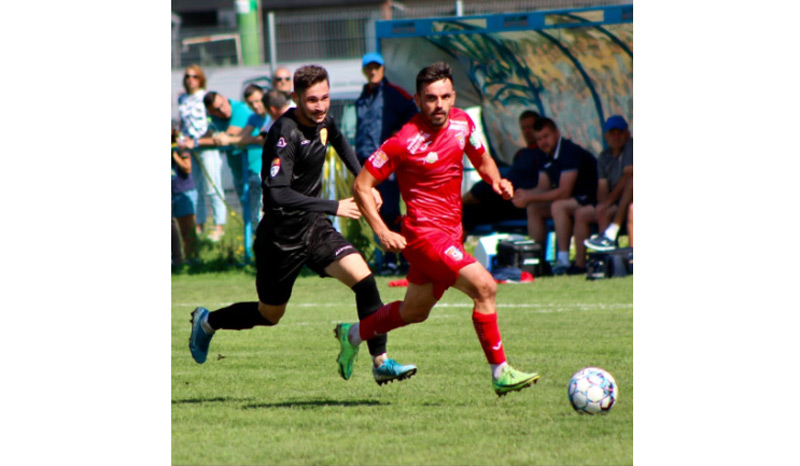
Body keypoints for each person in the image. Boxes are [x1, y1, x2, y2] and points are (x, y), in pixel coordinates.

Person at [189, 65, 417, 386]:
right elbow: (277, 193)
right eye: (312, 100)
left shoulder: (325, 121)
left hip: (315, 228)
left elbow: (342, 144)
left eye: (325, 97)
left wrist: (366, 182)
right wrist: (335, 206)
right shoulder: (285, 133)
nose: (321, 106)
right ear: (295, 98)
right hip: (280, 238)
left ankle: (380, 362)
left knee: (365, 281)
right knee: (270, 314)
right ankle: (207, 321)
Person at [337, 62, 540, 397]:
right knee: (485, 287)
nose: (439, 104)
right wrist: (381, 231)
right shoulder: (403, 141)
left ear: (454, 96)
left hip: (451, 233)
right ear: (418, 100)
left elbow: (481, 158)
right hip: (423, 235)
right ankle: (500, 372)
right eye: (431, 98)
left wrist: (496, 180)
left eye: (445, 96)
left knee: (414, 311)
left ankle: (352, 334)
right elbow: (361, 185)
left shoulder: (463, 123)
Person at [355, 52, 419, 276]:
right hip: (367, 163)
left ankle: (407, 258)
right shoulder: (364, 95)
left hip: (388, 162)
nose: (373, 71)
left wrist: (398, 136)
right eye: (369, 68)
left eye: (376, 67)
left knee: (391, 211)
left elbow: (413, 114)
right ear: (364, 70)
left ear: (383, 69)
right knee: (378, 211)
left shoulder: (393, 93)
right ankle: (390, 261)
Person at [511, 117, 598, 275]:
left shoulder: (569, 151)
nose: (543, 142)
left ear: (557, 133)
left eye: (546, 136)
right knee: (534, 208)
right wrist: (523, 195)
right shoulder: (543, 154)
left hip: (590, 198)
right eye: (539, 139)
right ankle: (536, 260)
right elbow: (543, 187)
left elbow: (564, 191)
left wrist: (529, 197)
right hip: (571, 200)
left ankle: (563, 260)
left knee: (558, 206)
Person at [461, 110, 545, 235]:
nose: (527, 131)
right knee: (467, 212)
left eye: (530, 127)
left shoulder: (544, 153)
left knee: (488, 186)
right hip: (503, 200)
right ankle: (453, 244)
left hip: (522, 200)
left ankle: (456, 203)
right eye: (524, 128)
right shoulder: (521, 154)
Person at [201, 91, 263, 233]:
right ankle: (254, 243)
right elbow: (210, 136)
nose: (222, 110)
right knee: (249, 216)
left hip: (256, 168)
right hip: (238, 171)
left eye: (222, 105)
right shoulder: (214, 118)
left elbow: (228, 137)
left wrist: (196, 142)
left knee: (258, 214)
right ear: (210, 112)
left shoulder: (240, 109)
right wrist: (201, 140)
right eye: (217, 110)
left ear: (225, 98)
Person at [176, 65, 226, 242]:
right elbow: (183, 123)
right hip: (191, 147)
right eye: (187, 76)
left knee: (213, 186)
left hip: (206, 145)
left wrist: (200, 139)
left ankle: (219, 224)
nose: (190, 79)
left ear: (200, 78)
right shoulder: (182, 98)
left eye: (194, 76)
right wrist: (181, 139)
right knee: (197, 188)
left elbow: (212, 122)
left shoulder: (205, 96)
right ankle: (200, 223)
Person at [582, 115, 633, 253]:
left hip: (628, 201)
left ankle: (613, 234)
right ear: (606, 137)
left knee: (631, 202)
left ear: (627, 134)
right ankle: (606, 255)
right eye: (612, 133)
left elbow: (628, 176)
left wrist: (608, 202)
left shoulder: (631, 146)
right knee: (591, 212)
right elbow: (602, 188)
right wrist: (603, 205)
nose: (616, 137)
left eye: (619, 133)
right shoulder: (604, 157)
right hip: (618, 203)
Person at [172, 126, 197, 262]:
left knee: (189, 231)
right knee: (181, 231)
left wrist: (174, 155)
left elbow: (187, 168)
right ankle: (184, 259)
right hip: (173, 192)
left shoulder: (181, 146)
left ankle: (193, 259)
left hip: (184, 191)